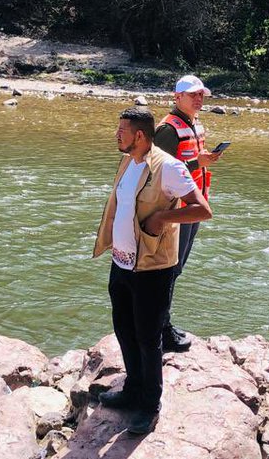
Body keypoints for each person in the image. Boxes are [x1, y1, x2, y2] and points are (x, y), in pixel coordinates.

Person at [93, 106, 212, 435]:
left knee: (148, 337)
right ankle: (133, 389)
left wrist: (162, 218)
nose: (117, 135)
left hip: (153, 267)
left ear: (140, 136)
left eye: (122, 131)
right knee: (124, 329)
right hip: (122, 262)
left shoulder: (169, 167)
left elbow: (202, 210)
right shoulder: (128, 160)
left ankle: (149, 404)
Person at [153, 74, 224, 352]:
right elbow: (159, 170)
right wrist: (198, 161)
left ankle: (162, 324)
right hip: (176, 211)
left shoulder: (196, 125)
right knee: (169, 270)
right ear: (177, 97)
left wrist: (204, 158)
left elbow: (185, 162)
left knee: (176, 269)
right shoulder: (167, 129)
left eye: (201, 95)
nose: (199, 98)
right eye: (193, 94)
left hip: (193, 209)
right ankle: (161, 328)